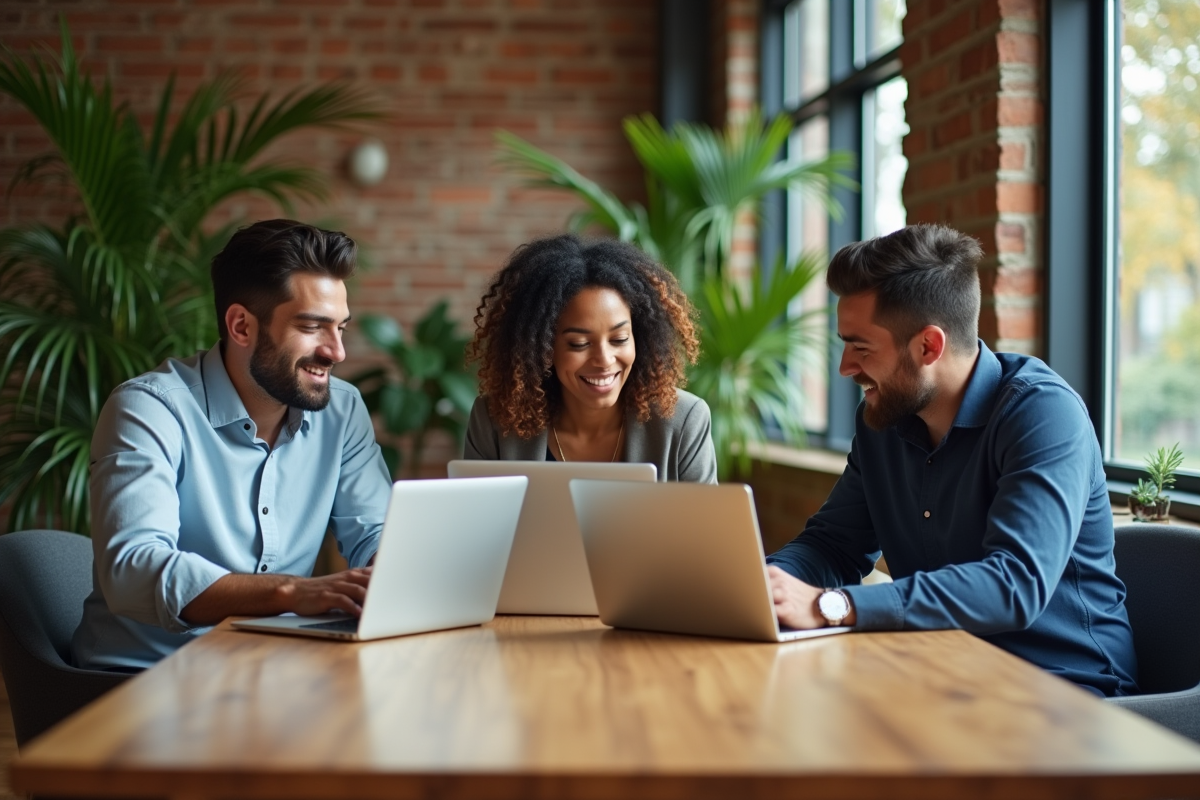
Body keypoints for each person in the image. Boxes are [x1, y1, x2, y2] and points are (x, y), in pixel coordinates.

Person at [766, 224, 1138, 697]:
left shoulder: (1042, 413)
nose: (845, 368)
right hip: (943, 672)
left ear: (929, 346)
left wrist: (831, 606)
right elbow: (834, 545)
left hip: (1067, 691)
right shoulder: (882, 420)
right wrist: (767, 584)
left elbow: (1014, 584)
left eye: (861, 347)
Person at [72, 220, 392, 671]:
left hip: (270, 671)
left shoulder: (342, 411)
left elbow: (375, 531)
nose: (336, 351)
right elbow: (135, 570)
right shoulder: (148, 409)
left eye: (340, 327)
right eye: (312, 326)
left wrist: (394, 568)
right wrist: (290, 593)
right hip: (140, 683)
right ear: (241, 326)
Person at [464, 233, 717, 483]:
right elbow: (477, 521)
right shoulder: (494, 421)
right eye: (579, 344)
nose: (604, 360)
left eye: (619, 339)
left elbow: (708, 524)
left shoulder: (684, 421)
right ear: (543, 349)